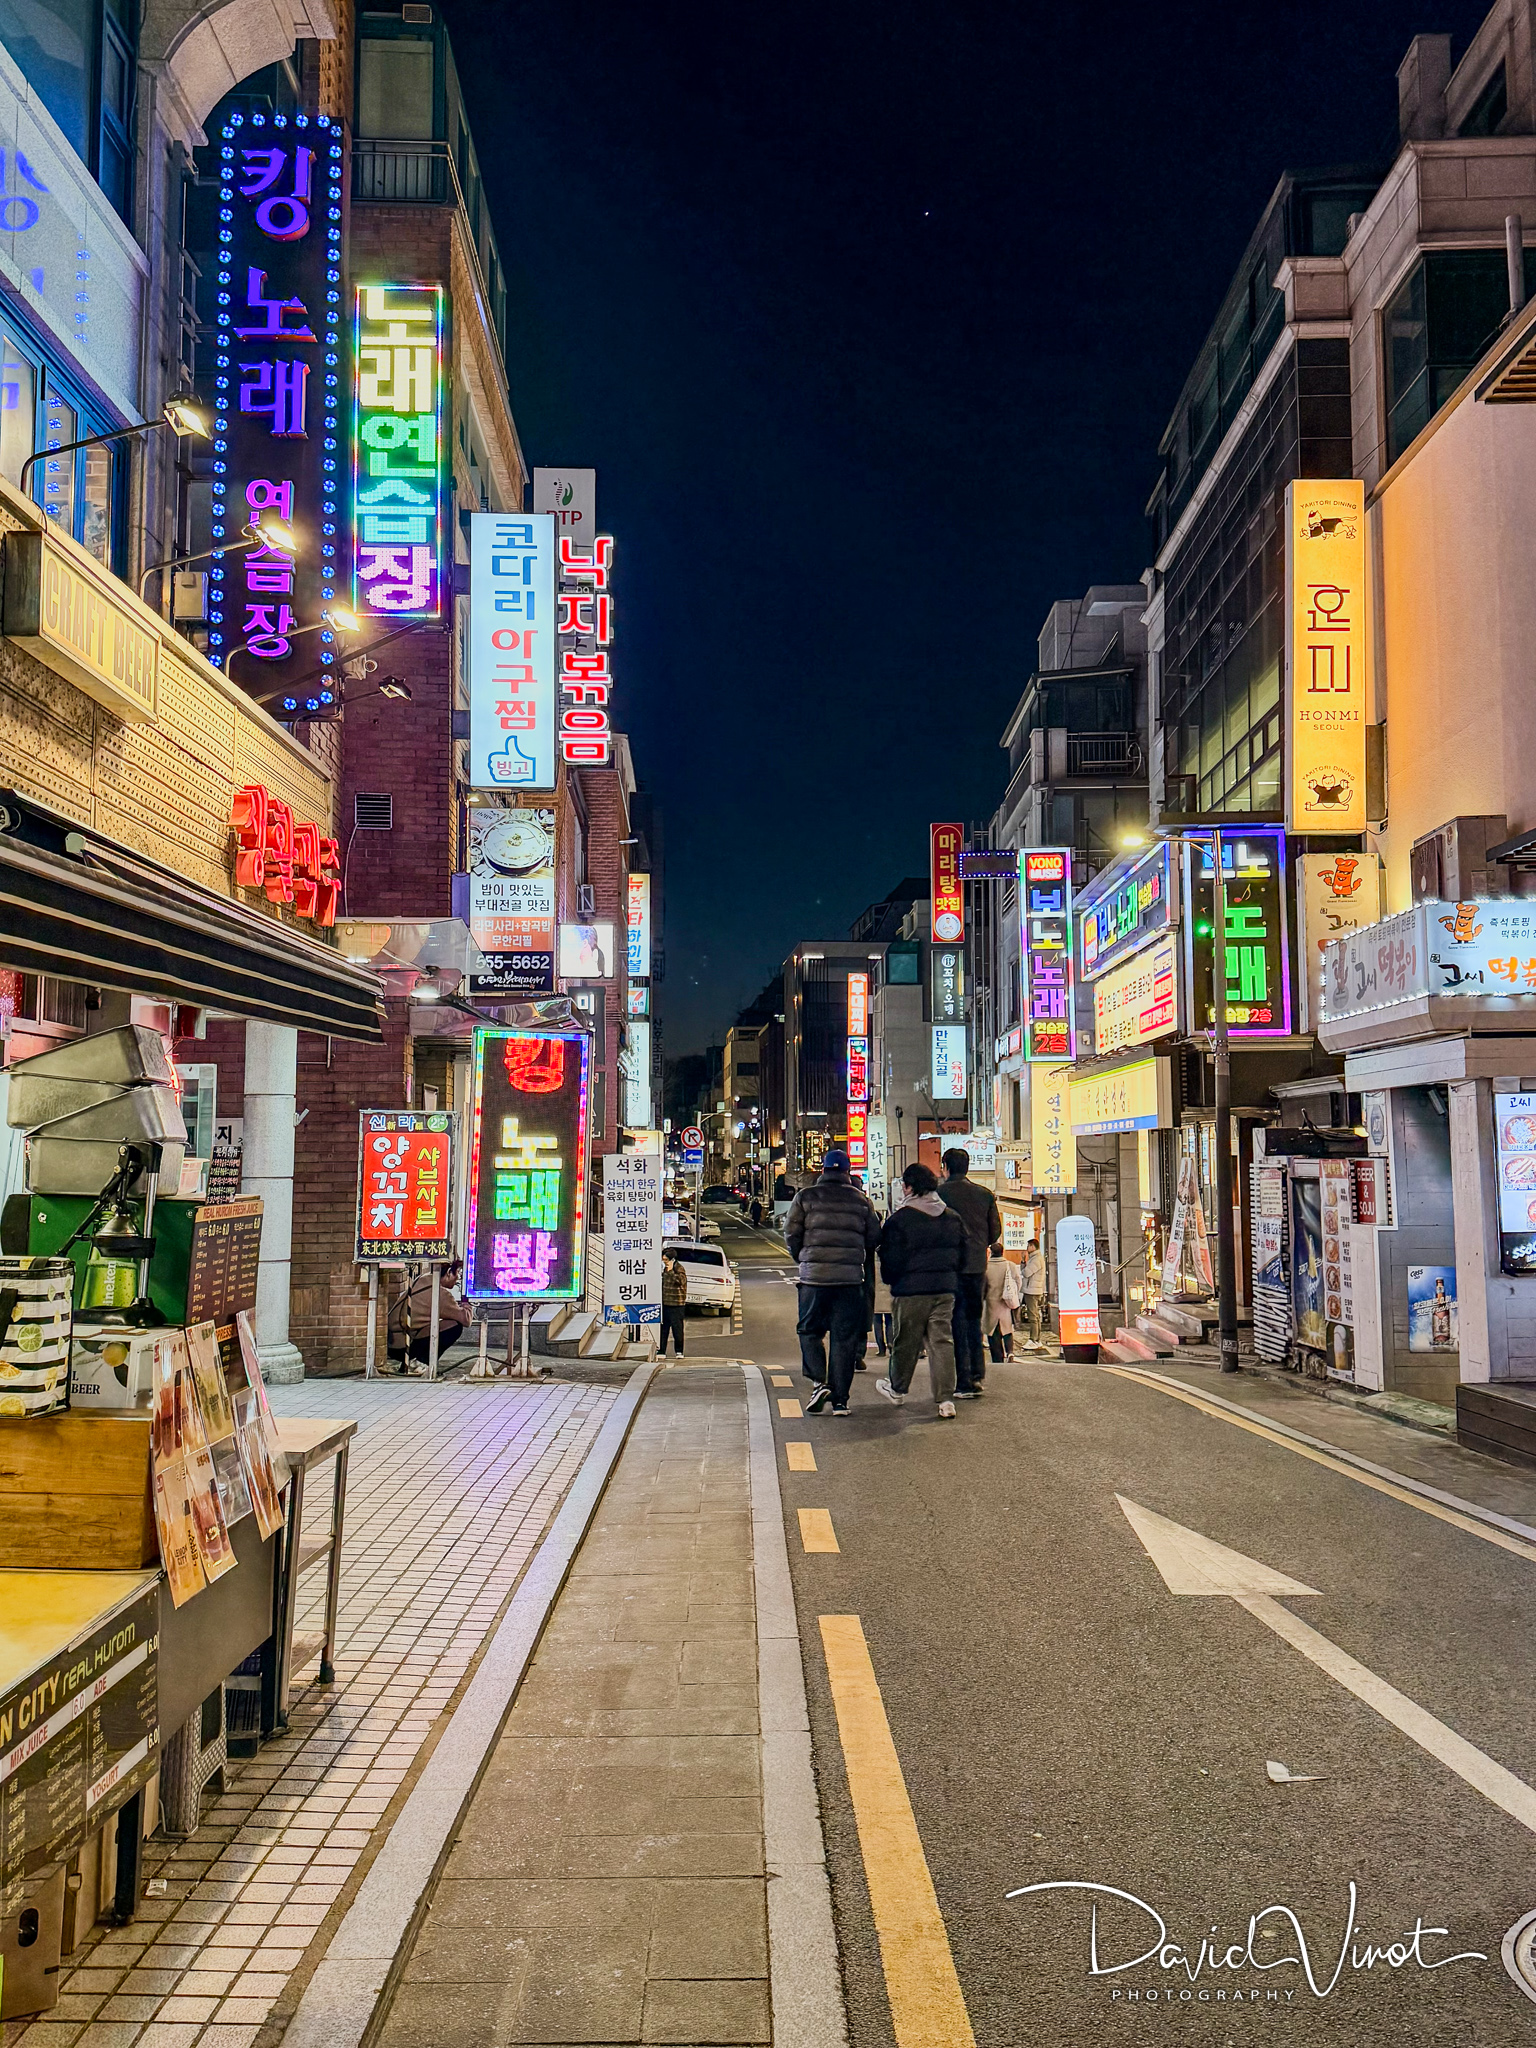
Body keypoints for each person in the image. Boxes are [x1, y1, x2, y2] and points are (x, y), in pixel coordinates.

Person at [784, 1147, 881, 1415]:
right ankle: (840, 1401)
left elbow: (791, 1233)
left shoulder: (806, 1197)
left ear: (823, 1170)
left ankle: (819, 1382)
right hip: (849, 1281)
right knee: (844, 1338)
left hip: (814, 1280)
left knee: (809, 1331)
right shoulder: (861, 1201)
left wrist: (803, 1258)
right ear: (848, 1171)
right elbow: (874, 1237)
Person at [875, 1162, 966, 1417]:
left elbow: (890, 1258)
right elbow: (963, 1252)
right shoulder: (952, 1217)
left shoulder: (900, 1220)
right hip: (945, 1288)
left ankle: (897, 1389)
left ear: (909, 1187)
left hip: (910, 1290)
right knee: (942, 1341)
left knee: (906, 1341)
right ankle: (946, 1400)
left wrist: (892, 1281)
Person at [937, 1148, 1003, 1399]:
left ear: (946, 1167)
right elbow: (994, 1233)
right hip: (976, 1267)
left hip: (950, 1267)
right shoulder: (984, 1195)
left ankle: (963, 1380)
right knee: (974, 1321)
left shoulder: (939, 1194)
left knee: (955, 1322)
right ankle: (977, 1374)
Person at [388, 1261, 473, 1372]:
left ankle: (409, 1365)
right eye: (457, 1272)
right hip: (403, 1347)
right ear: (448, 1272)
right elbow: (466, 1320)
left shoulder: (423, 1279)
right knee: (455, 1326)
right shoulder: (440, 1294)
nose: (458, 1277)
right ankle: (421, 1363)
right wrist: (466, 1301)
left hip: (391, 1343)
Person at [983, 1241, 1021, 1362]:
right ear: (1002, 1252)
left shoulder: (985, 1267)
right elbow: (1018, 1282)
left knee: (993, 1331)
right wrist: (1013, 1295)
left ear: (991, 1253)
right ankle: (1010, 1352)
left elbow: (981, 1287)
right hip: (1005, 1304)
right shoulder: (1010, 1265)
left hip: (990, 1304)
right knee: (1007, 1329)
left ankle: (998, 1359)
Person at [1019, 1237, 1047, 1350]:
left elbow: (1026, 1273)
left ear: (1032, 1246)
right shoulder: (1034, 1258)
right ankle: (1037, 1340)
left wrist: (1023, 1265)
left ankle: (1033, 1339)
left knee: (1033, 1316)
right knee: (1035, 1315)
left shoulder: (1036, 1259)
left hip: (1032, 1290)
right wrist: (1023, 1261)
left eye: (1028, 1246)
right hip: (1033, 1289)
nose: (1027, 1248)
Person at [660, 1248, 687, 1357]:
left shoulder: (679, 1268)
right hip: (664, 1303)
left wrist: (671, 1271)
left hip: (677, 1304)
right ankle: (661, 1350)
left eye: (666, 1260)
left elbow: (681, 1281)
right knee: (663, 1329)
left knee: (677, 1329)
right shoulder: (663, 1268)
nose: (664, 1262)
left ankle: (679, 1351)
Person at [870, 1254, 894, 1356]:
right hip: (889, 1295)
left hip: (876, 1296)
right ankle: (891, 1343)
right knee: (890, 1321)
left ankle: (881, 1348)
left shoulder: (872, 1264)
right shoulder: (890, 1261)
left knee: (877, 1323)